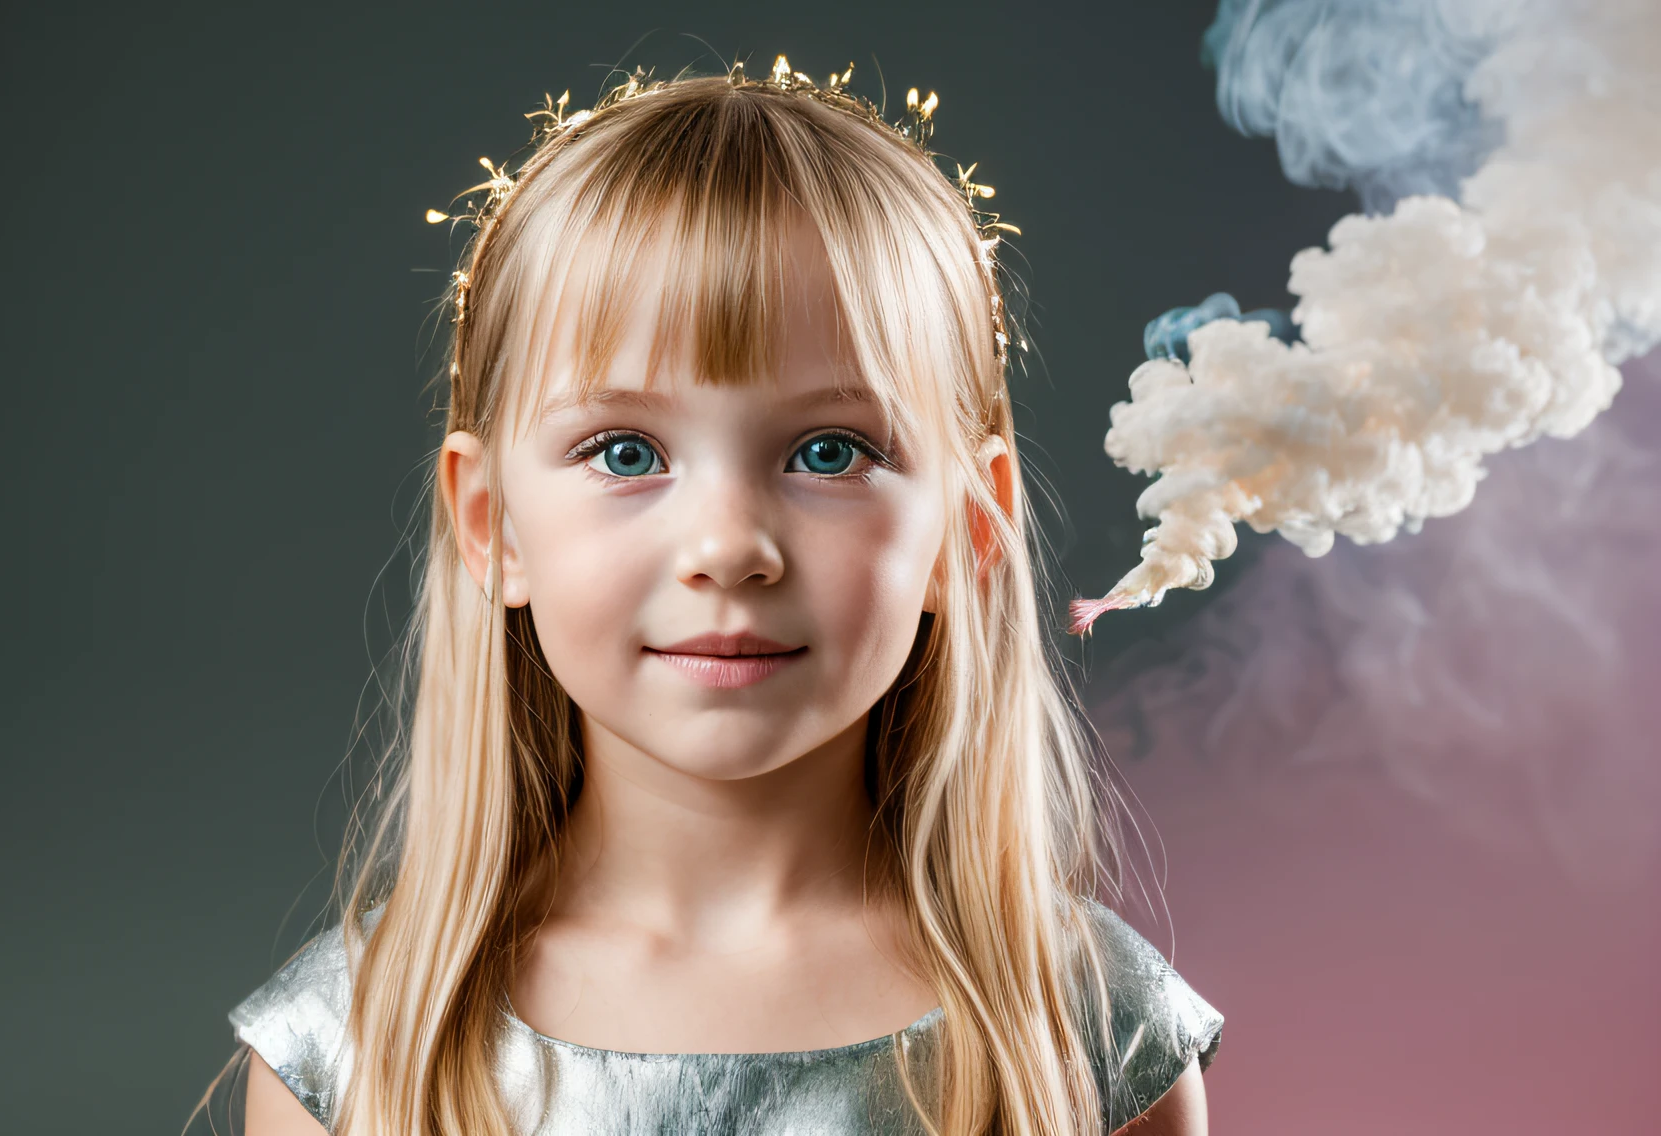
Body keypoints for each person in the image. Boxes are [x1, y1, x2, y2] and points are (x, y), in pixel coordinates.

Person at [217, 59, 1221, 1135]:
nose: (728, 547)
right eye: (624, 450)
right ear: (490, 523)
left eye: (827, 451)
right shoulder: (359, 1042)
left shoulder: (1083, 1028)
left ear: (966, 528)